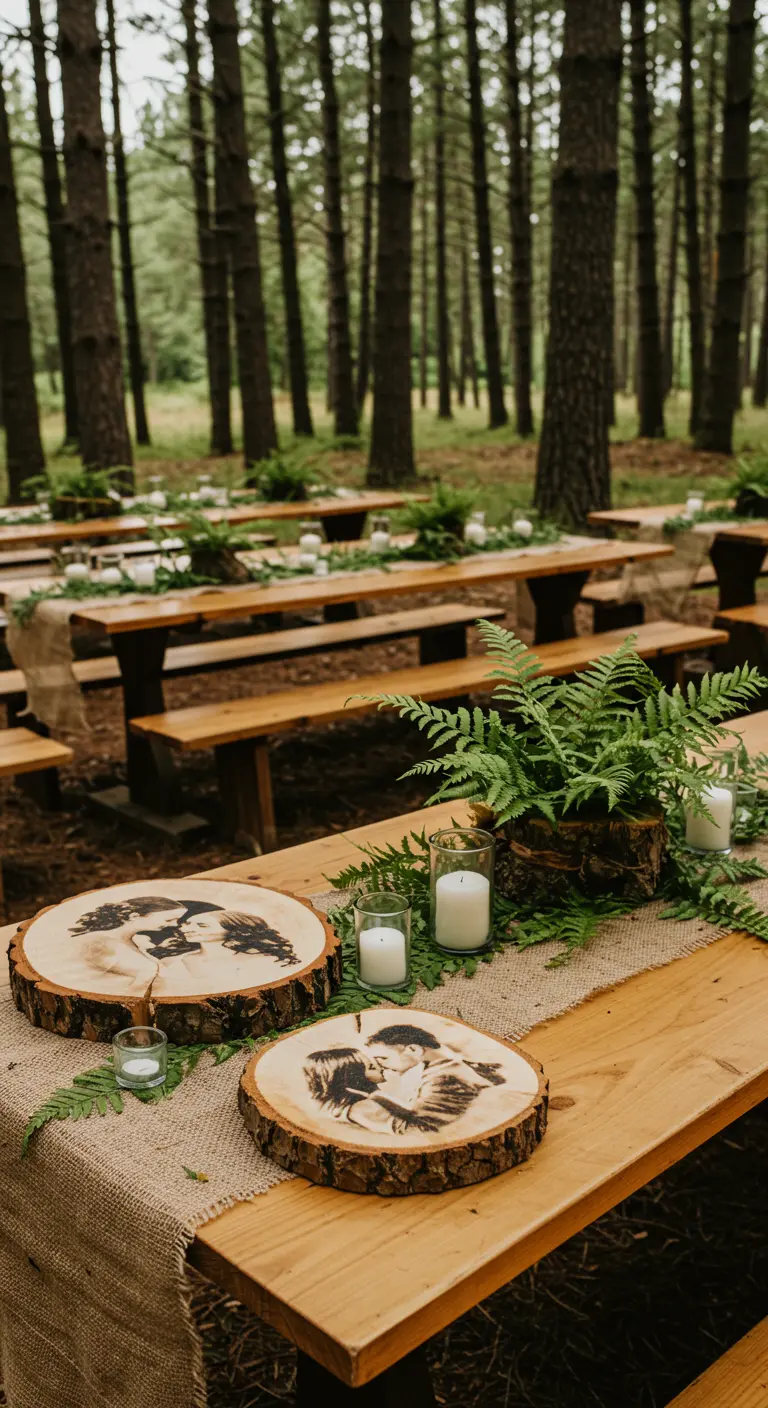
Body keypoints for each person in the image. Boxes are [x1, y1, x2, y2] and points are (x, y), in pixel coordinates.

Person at [364, 1022, 506, 1136]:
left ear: (413, 1050)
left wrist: (374, 1101)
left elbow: (421, 1131)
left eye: (383, 1058)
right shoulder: (450, 1065)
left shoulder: (443, 1078)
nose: (380, 1066)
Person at [68, 896, 189, 993]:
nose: (174, 925)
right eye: (169, 920)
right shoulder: (99, 943)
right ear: (134, 916)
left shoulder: (137, 942)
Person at [303, 1047, 397, 1135]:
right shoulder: (365, 1107)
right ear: (354, 1079)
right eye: (371, 1067)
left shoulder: (339, 1107)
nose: (380, 1067)